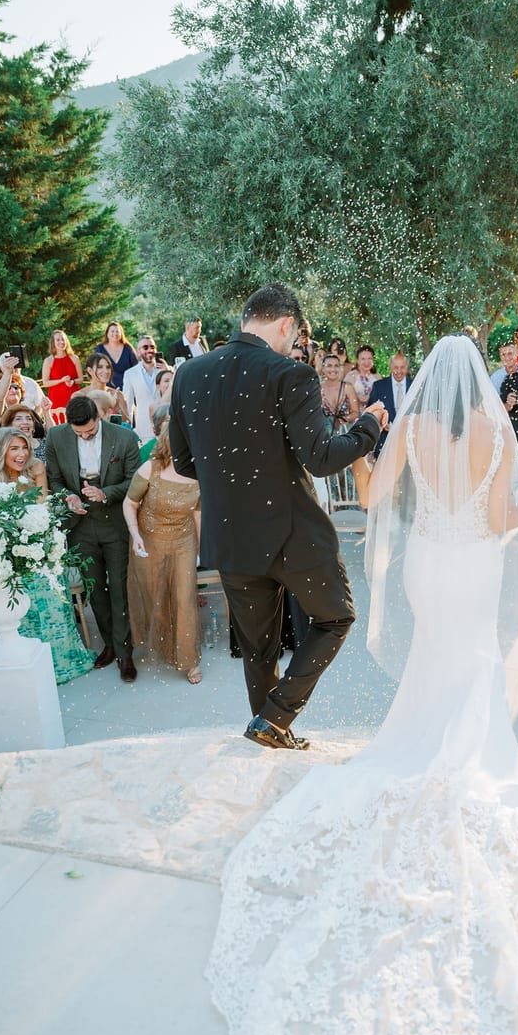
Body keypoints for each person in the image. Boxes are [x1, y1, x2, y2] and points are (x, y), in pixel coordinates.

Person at [205, 335, 518, 1035]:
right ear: (479, 379)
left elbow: (373, 486)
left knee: (437, 657)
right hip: (473, 562)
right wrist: (491, 512)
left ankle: (421, 743)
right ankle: (468, 752)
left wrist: (418, 506)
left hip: (427, 563)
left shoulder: (408, 429)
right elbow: (513, 517)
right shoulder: (496, 429)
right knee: (473, 662)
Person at [168, 283, 384, 750]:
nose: (294, 343)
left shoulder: (189, 374)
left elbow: (186, 463)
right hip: (293, 532)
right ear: (286, 324)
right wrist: (370, 425)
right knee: (335, 618)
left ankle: (271, 727)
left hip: (230, 536)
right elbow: (323, 457)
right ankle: (275, 717)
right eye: (295, 334)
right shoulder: (289, 372)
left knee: (258, 647)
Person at [45, 393, 141, 681]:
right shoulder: (56, 437)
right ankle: (109, 645)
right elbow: (55, 479)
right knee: (95, 588)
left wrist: (105, 493)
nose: (84, 436)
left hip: (114, 522)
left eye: (89, 430)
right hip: (81, 524)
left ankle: (125, 654)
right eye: (79, 433)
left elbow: (134, 480)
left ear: (98, 416)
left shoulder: (123, 438)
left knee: (119, 588)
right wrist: (69, 498)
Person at [0, 427, 95, 683]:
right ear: (2, 451)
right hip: (8, 553)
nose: (21, 454)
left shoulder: (36, 469)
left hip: (40, 546)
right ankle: (28, 663)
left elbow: (41, 510)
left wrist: (38, 544)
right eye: (14, 448)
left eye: (24, 447)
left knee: (50, 599)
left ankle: (60, 662)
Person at [123, 423, 203, 684]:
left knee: (185, 598)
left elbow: (197, 513)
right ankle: (162, 646)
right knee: (153, 594)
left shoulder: (200, 472)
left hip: (183, 540)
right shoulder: (151, 468)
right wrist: (135, 535)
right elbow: (130, 502)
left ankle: (189, 660)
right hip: (149, 539)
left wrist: (201, 549)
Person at [320, 353, 361, 506]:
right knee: (330, 475)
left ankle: (352, 510)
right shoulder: (317, 388)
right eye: (329, 365)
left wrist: (346, 418)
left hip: (345, 434)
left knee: (349, 474)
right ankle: (333, 513)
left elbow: (356, 412)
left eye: (336, 366)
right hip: (326, 437)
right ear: (323, 368)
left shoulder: (347, 388)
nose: (333, 369)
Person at [368, 350, 412, 458]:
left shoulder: (415, 385)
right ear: (390, 367)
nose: (399, 371)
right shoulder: (379, 386)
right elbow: (371, 412)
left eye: (402, 367)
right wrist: (381, 422)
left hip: (410, 443)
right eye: (396, 367)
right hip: (384, 443)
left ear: (407, 367)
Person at [122, 335, 162, 442]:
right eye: (145, 347)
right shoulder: (130, 374)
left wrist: (167, 371)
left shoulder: (167, 370)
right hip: (143, 429)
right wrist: (128, 428)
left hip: (166, 426)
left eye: (152, 347)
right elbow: (128, 404)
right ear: (138, 352)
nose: (149, 350)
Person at [41, 330, 83, 421]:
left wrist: (73, 381)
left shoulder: (74, 358)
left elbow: (81, 379)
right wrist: (61, 380)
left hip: (73, 397)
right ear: (53, 343)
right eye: (58, 340)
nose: (61, 342)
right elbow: (45, 383)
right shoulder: (48, 361)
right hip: (56, 399)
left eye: (63, 339)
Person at [93, 321, 138, 390]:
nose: (115, 334)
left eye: (117, 331)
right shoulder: (100, 348)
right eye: (112, 331)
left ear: (121, 334)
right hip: (105, 389)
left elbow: (136, 368)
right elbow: (94, 368)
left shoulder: (128, 348)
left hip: (126, 388)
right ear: (107, 333)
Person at [85, 353, 129, 421]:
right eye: (100, 367)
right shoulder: (80, 396)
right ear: (90, 370)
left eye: (108, 367)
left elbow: (128, 423)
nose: (106, 371)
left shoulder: (118, 395)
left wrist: (116, 407)